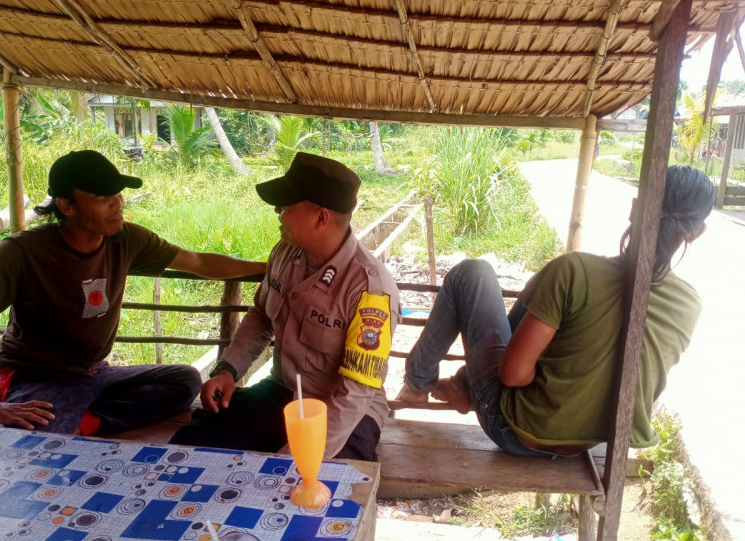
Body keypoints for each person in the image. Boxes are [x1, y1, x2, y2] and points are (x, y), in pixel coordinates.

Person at [396, 165, 714, 457]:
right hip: (586, 443)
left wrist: (540, 376)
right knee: (547, 297)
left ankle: (417, 383)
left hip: (516, 432)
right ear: (697, 232)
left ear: (634, 207)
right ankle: (463, 385)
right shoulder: (690, 304)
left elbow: (514, 374)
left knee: (473, 273)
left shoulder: (576, 270)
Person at [0, 150, 266, 436]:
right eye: (102, 197)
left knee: (185, 381)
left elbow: (197, 262)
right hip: (32, 379)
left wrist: (269, 268)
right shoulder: (23, 252)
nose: (118, 204)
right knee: (42, 426)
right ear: (66, 205)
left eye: (118, 194)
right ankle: (70, 421)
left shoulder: (126, 239)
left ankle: (81, 423)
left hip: (95, 375)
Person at [170, 152, 400, 461]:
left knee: (331, 481)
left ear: (321, 217)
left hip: (343, 409)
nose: (278, 212)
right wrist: (228, 369)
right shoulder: (285, 253)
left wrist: (299, 456)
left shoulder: (371, 291)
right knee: (194, 443)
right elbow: (262, 317)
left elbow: (356, 392)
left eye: (288, 205)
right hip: (284, 393)